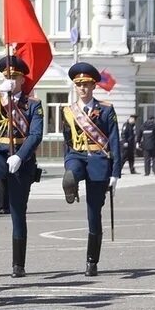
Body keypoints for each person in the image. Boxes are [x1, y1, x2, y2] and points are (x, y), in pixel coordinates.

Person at [0, 55, 45, 278]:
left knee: (18, 211)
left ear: (23, 80)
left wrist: (21, 156)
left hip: (21, 159)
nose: (11, 81)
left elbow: (35, 134)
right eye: (7, 77)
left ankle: (18, 264)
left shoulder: (33, 104)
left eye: (15, 77)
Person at [62, 62, 121, 276]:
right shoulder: (68, 111)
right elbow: (67, 141)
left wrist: (115, 173)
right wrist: (67, 162)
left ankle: (91, 261)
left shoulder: (106, 110)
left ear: (93, 86)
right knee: (72, 173)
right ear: (75, 87)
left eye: (86, 84)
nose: (83, 88)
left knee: (93, 213)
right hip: (77, 156)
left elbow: (114, 141)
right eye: (79, 85)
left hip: (99, 159)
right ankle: (70, 183)